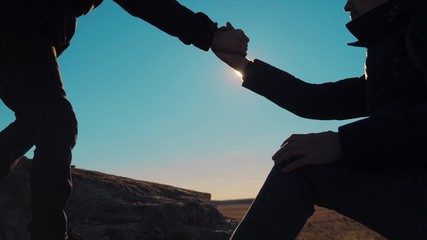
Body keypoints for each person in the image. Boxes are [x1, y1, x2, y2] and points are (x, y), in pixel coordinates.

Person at [0, 1, 249, 240]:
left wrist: (208, 33)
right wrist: (210, 34)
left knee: (35, 123)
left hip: (25, 29)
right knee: (57, 124)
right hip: (19, 25)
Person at [214, 0, 427, 239]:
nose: (347, 6)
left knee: (300, 169)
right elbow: (315, 100)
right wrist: (242, 65)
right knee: (298, 160)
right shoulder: (389, 51)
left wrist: (343, 144)